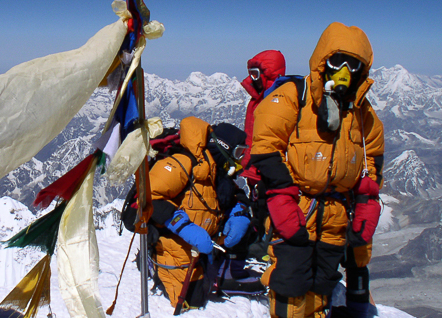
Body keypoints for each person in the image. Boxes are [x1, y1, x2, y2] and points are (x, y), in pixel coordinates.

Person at [250, 22, 384, 318]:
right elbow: (265, 148)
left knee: (323, 282)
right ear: (323, 60)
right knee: (289, 281)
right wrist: (282, 198)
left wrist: (366, 203)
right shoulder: (293, 96)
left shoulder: (363, 114)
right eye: (338, 61)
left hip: (336, 216)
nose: (344, 71)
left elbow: (371, 163)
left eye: (354, 64)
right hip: (297, 207)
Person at [148, 117, 247, 310]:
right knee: (192, 301)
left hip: (205, 244)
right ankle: (153, 264)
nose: (240, 158)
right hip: (175, 243)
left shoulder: (216, 172)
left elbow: (232, 196)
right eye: (238, 152)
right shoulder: (184, 164)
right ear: (224, 148)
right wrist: (183, 225)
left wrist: (239, 212)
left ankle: (223, 272)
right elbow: (148, 197)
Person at [239, 50, 287, 249]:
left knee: (271, 210)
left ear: (270, 73)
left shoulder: (279, 101)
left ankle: (269, 249)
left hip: (268, 169)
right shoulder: (256, 101)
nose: (252, 79)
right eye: (251, 73)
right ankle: (260, 244)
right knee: (258, 208)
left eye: (256, 74)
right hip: (254, 170)